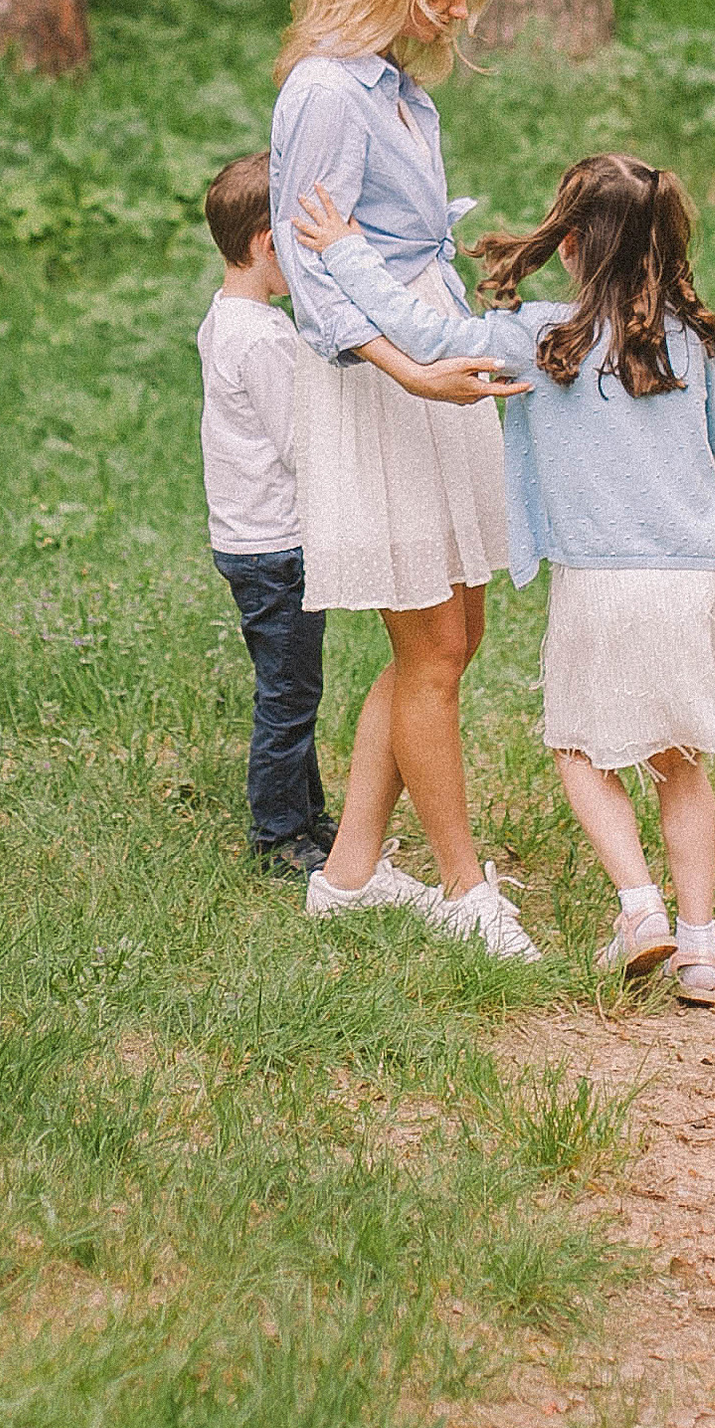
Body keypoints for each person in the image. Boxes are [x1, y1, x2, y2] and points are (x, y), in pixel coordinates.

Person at [292, 151, 715, 1007]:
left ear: (568, 244)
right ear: (665, 244)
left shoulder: (545, 337)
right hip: (693, 580)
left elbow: (428, 338)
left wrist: (347, 250)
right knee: (679, 759)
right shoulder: (696, 339)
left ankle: (639, 908)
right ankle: (699, 951)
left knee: (580, 746)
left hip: (600, 583)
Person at [269, 0, 539, 962]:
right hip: (382, 382)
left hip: (433, 356)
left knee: (453, 637)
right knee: (426, 643)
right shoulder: (325, 91)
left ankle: (347, 875)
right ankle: (467, 894)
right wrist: (402, 370)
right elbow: (309, 259)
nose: (459, 14)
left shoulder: (395, 91)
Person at [194, 153, 489, 883]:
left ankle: (311, 816)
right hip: (274, 545)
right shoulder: (263, 339)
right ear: (270, 245)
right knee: (289, 695)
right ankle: (282, 832)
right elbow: (301, 444)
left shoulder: (227, 321)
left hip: (255, 540)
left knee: (296, 685)